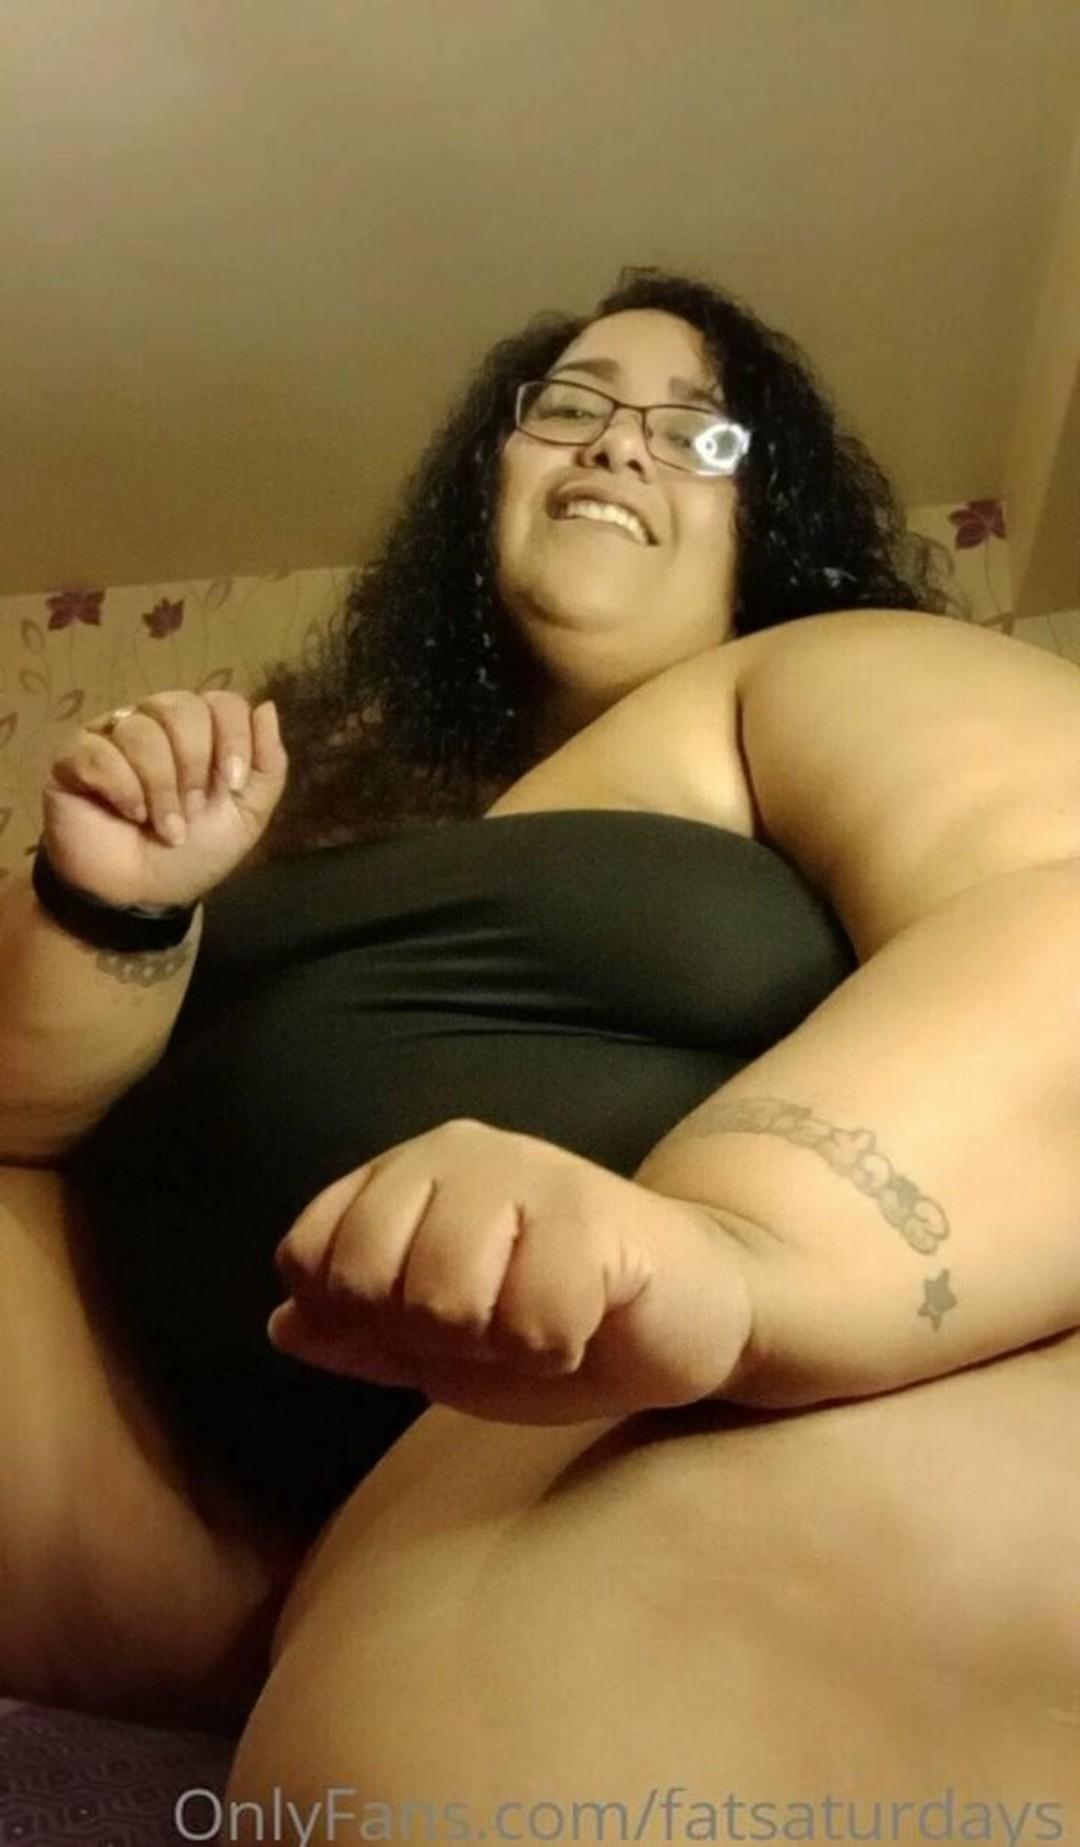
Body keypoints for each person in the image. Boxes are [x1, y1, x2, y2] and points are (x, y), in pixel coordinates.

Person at [1, 268, 1077, 1825]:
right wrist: (114, 905)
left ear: (770, 518)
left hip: (636, 1417)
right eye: (569, 406)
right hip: (206, 1520)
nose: (617, 443)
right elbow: (28, 1125)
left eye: (697, 432)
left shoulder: (818, 675)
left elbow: (1050, 904)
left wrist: (735, 1256)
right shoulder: (308, 806)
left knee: (430, 1760)